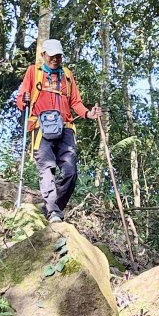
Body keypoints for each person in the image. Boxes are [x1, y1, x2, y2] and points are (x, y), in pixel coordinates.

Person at [15, 38, 102, 223]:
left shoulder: (67, 75)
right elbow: (20, 100)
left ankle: (51, 208)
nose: (56, 59)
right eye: (52, 55)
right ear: (43, 55)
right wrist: (25, 99)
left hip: (65, 128)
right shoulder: (33, 72)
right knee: (47, 169)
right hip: (40, 127)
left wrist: (88, 113)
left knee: (70, 172)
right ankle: (54, 212)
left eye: (59, 56)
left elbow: (75, 102)